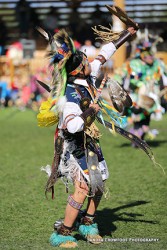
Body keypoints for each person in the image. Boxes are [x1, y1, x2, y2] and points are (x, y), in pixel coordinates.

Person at [37, 7, 139, 248]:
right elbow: (72, 125)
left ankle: (89, 221)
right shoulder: (69, 95)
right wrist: (91, 110)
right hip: (73, 145)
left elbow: (105, 53)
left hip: (89, 139)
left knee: (99, 182)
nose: (88, 61)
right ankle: (64, 231)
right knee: (82, 187)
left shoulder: (87, 74)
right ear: (76, 69)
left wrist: (127, 34)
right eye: (84, 60)